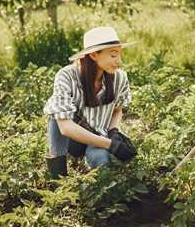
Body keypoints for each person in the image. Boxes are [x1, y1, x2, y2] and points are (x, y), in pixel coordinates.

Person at [43, 26, 137, 178]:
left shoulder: (120, 78)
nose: (119, 61)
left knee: (102, 162)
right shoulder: (67, 76)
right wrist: (110, 145)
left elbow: (117, 110)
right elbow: (65, 128)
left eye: (119, 54)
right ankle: (57, 180)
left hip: (99, 137)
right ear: (93, 55)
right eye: (113, 55)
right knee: (56, 117)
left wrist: (113, 132)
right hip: (73, 139)